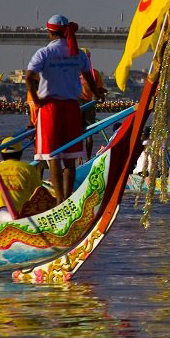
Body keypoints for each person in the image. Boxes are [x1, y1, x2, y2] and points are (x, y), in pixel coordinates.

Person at [25, 14, 106, 204]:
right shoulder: (78, 53)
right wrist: (97, 94)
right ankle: (68, 199)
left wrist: (36, 100)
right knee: (70, 158)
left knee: (53, 156)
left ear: (49, 32)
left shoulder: (43, 53)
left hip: (50, 108)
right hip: (72, 107)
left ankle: (59, 199)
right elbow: (89, 78)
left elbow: (29, 77)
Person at [0, 140, 41, 222]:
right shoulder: (28, 168)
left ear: (2, 155)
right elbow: (37, 192)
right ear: (20, 153)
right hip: (21, 214)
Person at [78, 48, 105, 158]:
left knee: (78, 133)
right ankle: (88, 158)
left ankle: (79, 158)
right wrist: (101, 95)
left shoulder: (74, 72)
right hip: (89, 104)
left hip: (77, 104)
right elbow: (98, 89)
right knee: (89, 133)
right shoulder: (94, 73)